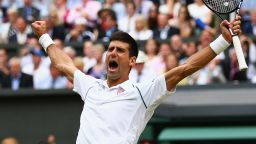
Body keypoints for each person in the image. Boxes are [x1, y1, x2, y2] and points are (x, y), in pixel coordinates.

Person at [31, 15, 241, 143]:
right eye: (110, 49)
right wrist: (43, 36)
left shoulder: (143, 92)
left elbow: (185, 68)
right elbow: (63, 64)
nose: (112, 53)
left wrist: (223, 41)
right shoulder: (91, 87)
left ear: (132, 61)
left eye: (120, 50)